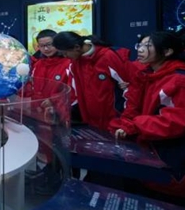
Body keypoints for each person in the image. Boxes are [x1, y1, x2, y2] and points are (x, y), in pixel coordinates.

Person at [110, 31, 185, 200]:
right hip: (148, 152)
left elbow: (177, 120)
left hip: (170, 155)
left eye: (148, 45)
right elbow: (133, 106)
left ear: (167, 51)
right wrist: (126, 124)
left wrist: (136, 125)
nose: (140, 49)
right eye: (140, 45)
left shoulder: (179, 80)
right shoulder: (146, 75)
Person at [52, 31, 133, 130]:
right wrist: (62, 112)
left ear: (77, 47)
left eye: (65, 53)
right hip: (91, 121)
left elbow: (129, 89)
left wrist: (126, 121)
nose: (65, 57)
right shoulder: (75, 64)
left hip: (114, 121)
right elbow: (74, 93)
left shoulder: (108, 56)